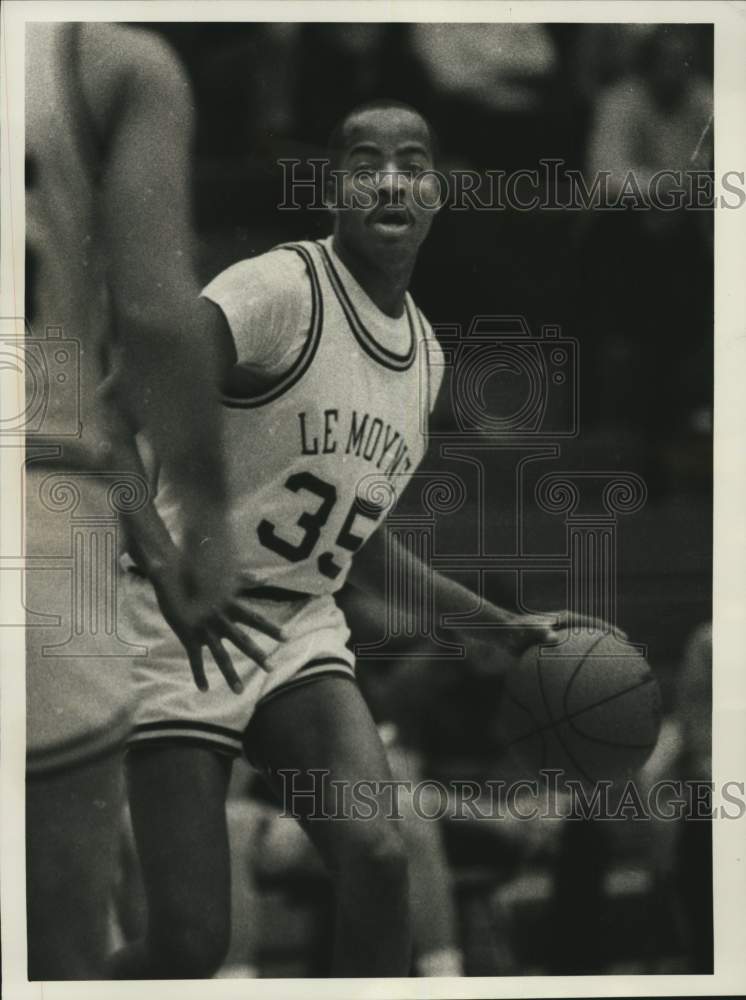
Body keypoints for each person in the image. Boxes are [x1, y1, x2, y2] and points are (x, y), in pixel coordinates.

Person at [110, 99, 605, 980]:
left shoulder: (425, 357)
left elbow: (363, 547)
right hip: (173, 621)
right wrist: (163, 564)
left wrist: (494, 624)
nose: (391, 178)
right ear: (331, 187)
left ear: (437, 192)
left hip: (298, 627)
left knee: (380, 856)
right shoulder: (277, 289)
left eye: (413, 163)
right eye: (365, 161)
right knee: (188, 947)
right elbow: (113, 410)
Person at [24, 22, 272, 979]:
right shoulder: (104, 61)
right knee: (55, 961)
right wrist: (202, 524)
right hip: (38, 515)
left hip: (60, 484)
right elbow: (157, 316)